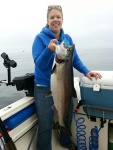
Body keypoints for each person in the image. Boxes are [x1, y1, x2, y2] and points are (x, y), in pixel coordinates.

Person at [32, 5, 102, 150]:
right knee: (45, 126)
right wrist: (48, 50)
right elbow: (39, 65)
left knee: (67, 117)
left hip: (65, 87)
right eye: (52, 17)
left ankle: (65, 141)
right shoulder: (39, 39)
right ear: (47, 21)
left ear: (62, 20)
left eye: (58, 17)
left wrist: (86, 72)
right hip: (44, 89)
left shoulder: (67, 38)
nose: (55, 20)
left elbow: (74, 59)